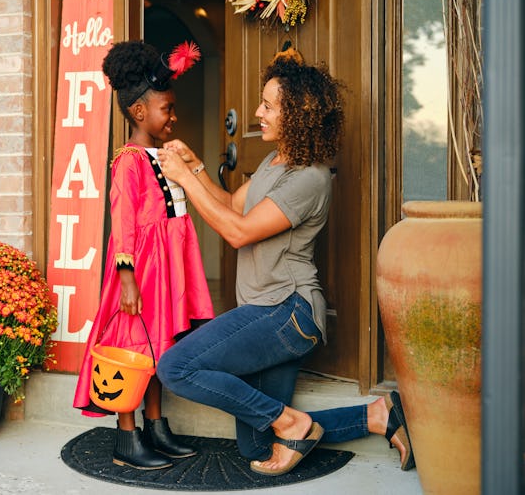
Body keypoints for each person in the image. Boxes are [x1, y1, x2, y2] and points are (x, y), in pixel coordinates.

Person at [155, 47, 415, 475]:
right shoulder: (274, 163)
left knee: (176, 366)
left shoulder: (309, 178)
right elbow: (232, 207)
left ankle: (293, 422)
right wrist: (197, 167)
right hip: (265, 311)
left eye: (269, 106)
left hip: (288, 313)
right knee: (255, 446)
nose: (258, 112)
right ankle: (378, 415)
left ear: (297, 114)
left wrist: (182, 179)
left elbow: (236, 232)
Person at [72, 39, 214, 471]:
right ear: (139, 112)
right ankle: (126, 435)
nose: (173, 116)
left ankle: (155, 425)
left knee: (158, 349)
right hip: (140, 272)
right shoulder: (128, 161)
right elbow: (124, 224)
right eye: (166, 109)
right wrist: (129, 278)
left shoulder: (162, 155)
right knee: (133, 349)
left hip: (165, 270)